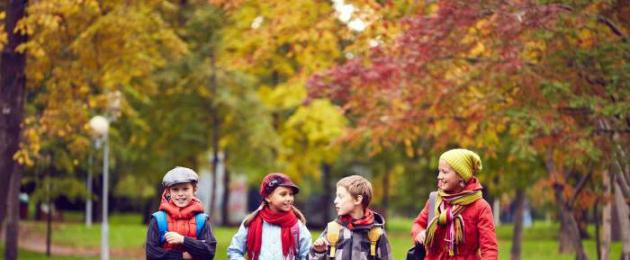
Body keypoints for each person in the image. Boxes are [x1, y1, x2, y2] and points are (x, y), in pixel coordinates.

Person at [411, 149, 498, 259]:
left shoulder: (481, 207)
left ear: (461, 176)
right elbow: (417, 224)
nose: (439, 176)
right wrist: (419, 233)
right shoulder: (435, 200)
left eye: (445, 172)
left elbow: (489, 249)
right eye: (439, 171)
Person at [227, 173, 312, 260]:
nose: (289, 198)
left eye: (291, 194)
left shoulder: (297, 226)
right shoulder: (251, 222)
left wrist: (318, 251)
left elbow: (307, 256)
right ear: (268, 197)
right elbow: (234, 251)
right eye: (283, 194)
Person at [310, 175, 392, 260]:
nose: (335, 201)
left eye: (340, 196)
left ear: (357, 200)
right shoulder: (332, 229)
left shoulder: (377, 233)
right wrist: (319, 252)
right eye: (336, 196)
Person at [146, 166, 217, 259]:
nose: (180, 194)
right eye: (175, 189)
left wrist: (183, 240)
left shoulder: (202, 220)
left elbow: (209, 252)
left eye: (185, 188)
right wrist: (181, 256)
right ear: (168, 192)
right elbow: (151, 254)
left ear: (194, 189)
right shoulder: (158, 219)